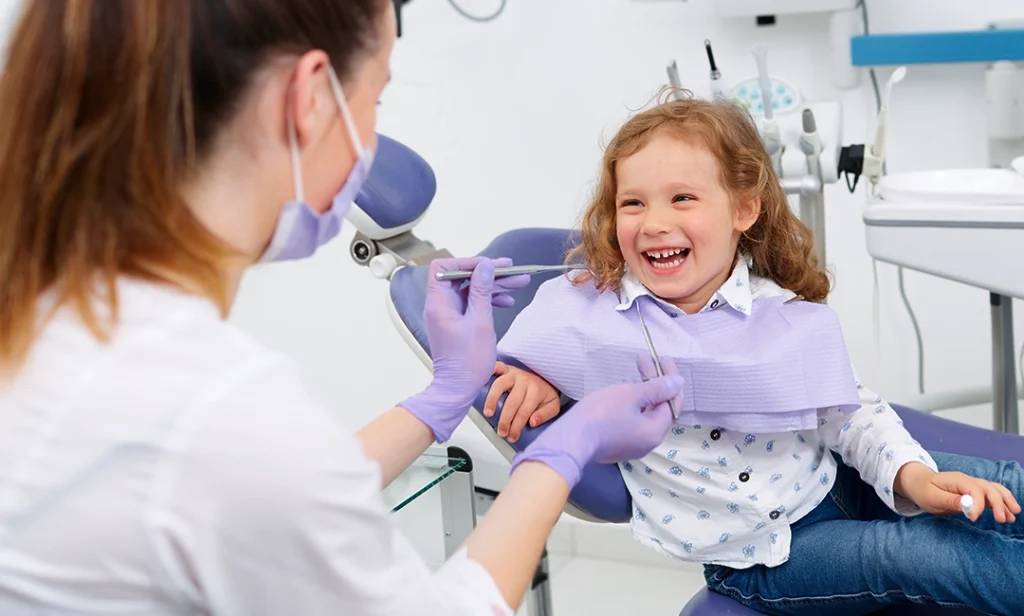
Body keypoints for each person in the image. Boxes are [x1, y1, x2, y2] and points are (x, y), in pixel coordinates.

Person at [0, 2, 686, 614]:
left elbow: (267, 502)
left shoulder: (62, 316)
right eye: (376, 99)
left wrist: (442, 398)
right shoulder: (212, 405)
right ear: (309, 98)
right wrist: (567, 449)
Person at [487, 91, 1024, 615]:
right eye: (633, 202)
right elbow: (529, 349)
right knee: (919, 556)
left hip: (835, 478)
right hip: (764, 557)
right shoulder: (590, 315)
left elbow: (851, 414)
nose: (653, 223)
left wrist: (914, 478)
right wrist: (536, 375)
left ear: (743, 208)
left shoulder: (779, 314)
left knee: (1001, 484)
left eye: (682, 198)